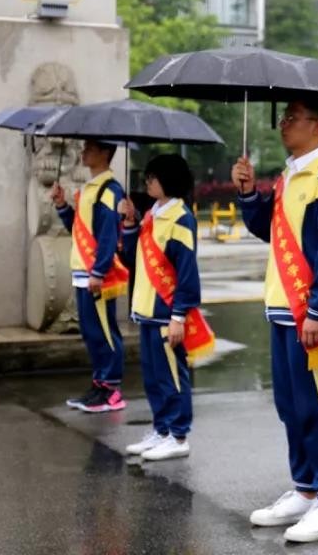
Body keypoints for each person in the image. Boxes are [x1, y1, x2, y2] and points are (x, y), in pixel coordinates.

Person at [232, 98, 318, 544]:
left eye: (291, 117)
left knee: (316, 405)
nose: (283, 123)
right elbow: (270, 228)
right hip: (282, 310)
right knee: (289, 404)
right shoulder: (288, 178)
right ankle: (304, 489)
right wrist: (248, 193)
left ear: (317, 125)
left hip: (310, 315)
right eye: (284, 116)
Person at [118, 154, 200, 462]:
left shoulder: (181, 218)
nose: (148, 182)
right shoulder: (151, 214)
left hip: (166, 312)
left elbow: (187, 271)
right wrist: (128, 224)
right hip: (146, 310)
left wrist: (179, 315)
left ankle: (178, 435)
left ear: (170, 180)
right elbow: (132, 262)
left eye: (153, 177)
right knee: (153, 376)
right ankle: (161, 429)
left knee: (172, 376)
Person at [51, 140, 130, 413]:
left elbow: (109, 234)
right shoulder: (90, 188)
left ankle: (111, 389)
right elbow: (80, 228)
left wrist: (99, 270)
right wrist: (62, 206)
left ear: (105, 154)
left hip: (97, 273)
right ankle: (99, 385)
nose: (83, 152)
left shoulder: (110, 190)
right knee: (90, 331)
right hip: (83, 270)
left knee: (104, 331)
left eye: (90, 149)